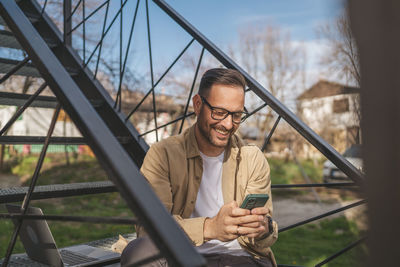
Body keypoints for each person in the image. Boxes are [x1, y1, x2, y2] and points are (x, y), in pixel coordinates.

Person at [121, 68, 278, 267]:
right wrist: (209, 228)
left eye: (237, 115)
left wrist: (262, 229)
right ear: (197, 104)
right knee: (138, 251)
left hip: (242, 259)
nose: (229, 124)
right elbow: (149, 228)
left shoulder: (253, 158)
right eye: (219, 112)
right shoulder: (162, 155)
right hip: (180, 257)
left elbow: (263, 239)